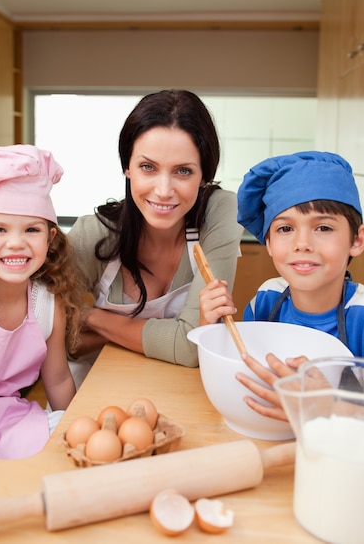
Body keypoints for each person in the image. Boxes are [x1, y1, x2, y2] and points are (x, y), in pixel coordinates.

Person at [67, 89, 243, 388]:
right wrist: (174, 334)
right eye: (148, 167)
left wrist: (93, 318)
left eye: (183, 171)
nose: (163, 190)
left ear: (204, 177)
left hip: (184, 393)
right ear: (127, 168)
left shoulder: (219, 211)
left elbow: (192, 349)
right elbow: (55, 341)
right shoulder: (93, 235)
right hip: (97, 391)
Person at [199, 151, 364, 421]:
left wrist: (328, 406)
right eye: (285, 229)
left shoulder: (362, 316)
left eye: (323, 228)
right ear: (268, 242)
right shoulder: (266, 300)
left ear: (357, 240)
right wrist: (210, 329)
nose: (302, 243)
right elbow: (242, 372)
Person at [0, 144, 83, 458]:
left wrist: (81, 434)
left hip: (11, 420)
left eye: (32, 229)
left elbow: (60, 379)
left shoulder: (47, 304)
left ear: (50, 238)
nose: (16, 244)